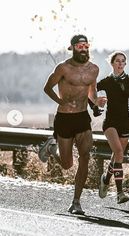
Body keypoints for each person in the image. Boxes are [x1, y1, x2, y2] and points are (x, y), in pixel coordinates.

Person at [38, 34, 107, 215]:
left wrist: (96, 104)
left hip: (82, 117)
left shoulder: (94, 69)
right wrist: (60, 102)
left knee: (85, 156)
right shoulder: (63, 68)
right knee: (67, 164)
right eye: (79, 46)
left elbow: (92, 92)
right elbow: (47, 88)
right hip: (65, 119)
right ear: (73, 48)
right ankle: (53, 148)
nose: (83, 49)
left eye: (85, 46)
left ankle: (76, 202)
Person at [98, 51, 129, 204]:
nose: (120, 63)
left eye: (123, 61)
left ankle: (106, 178)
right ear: (112, 63)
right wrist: (96, 103)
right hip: (110, 122)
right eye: (117, 61)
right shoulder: (107, 81)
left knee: (117, 156)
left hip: (126, 121)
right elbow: (90, 92)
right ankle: (120, 193)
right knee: (118, 152)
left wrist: (127, 91)